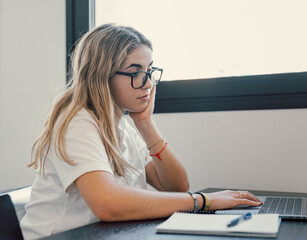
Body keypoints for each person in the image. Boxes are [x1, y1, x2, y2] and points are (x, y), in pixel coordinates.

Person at [20, 24, 262, 239]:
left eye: (149, 71)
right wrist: (204, 201)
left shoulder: (122, 123)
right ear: (102, 75)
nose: (147, 83)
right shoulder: (77, 122)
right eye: (135, 72)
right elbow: (108, 205)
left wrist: (145, 124)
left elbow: (175, 186)